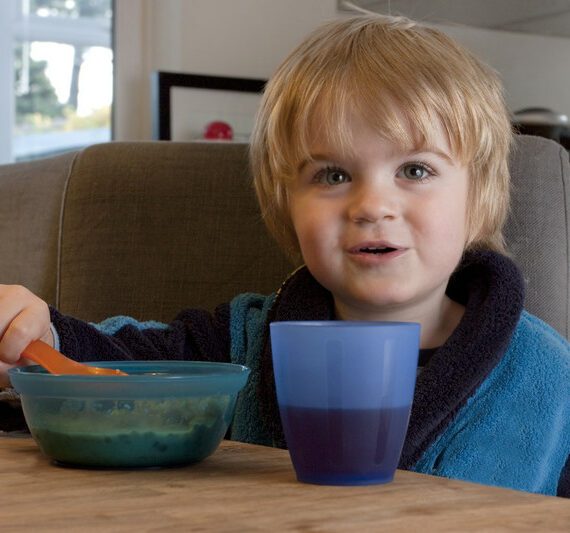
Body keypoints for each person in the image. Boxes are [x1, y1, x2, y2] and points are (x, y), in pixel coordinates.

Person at [0, 13, 569, 497]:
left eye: (415, 170)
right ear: (286, 203)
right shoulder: (241, 342)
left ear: (480, 198)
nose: (372, 205)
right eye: (334, 174)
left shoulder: (551, 377)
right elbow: (122, 364)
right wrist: (41, 340)